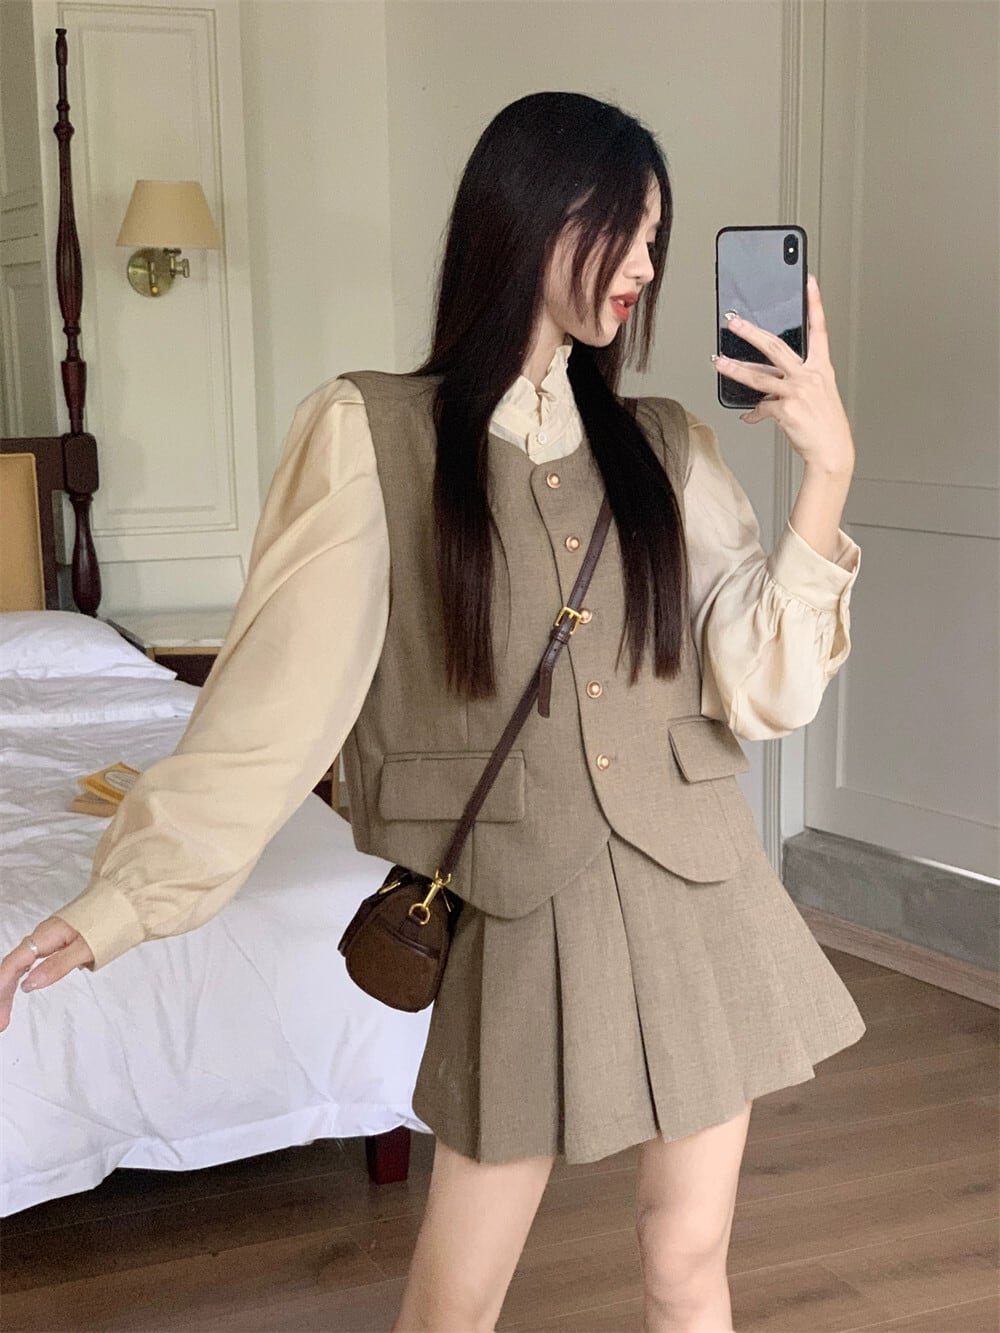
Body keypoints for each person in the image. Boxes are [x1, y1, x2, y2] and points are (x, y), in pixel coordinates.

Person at [1, 92, 865, 1333]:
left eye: (655, 239)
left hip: (700, 893)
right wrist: (121, 903)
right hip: (517, 903)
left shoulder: (667, 448)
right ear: (527, 217)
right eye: (620, 230)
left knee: (688, 1267)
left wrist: (826, 472)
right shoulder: (372, 435)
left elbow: (765, 684)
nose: (642, 265)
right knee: (452, 1301)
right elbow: (268, 714)